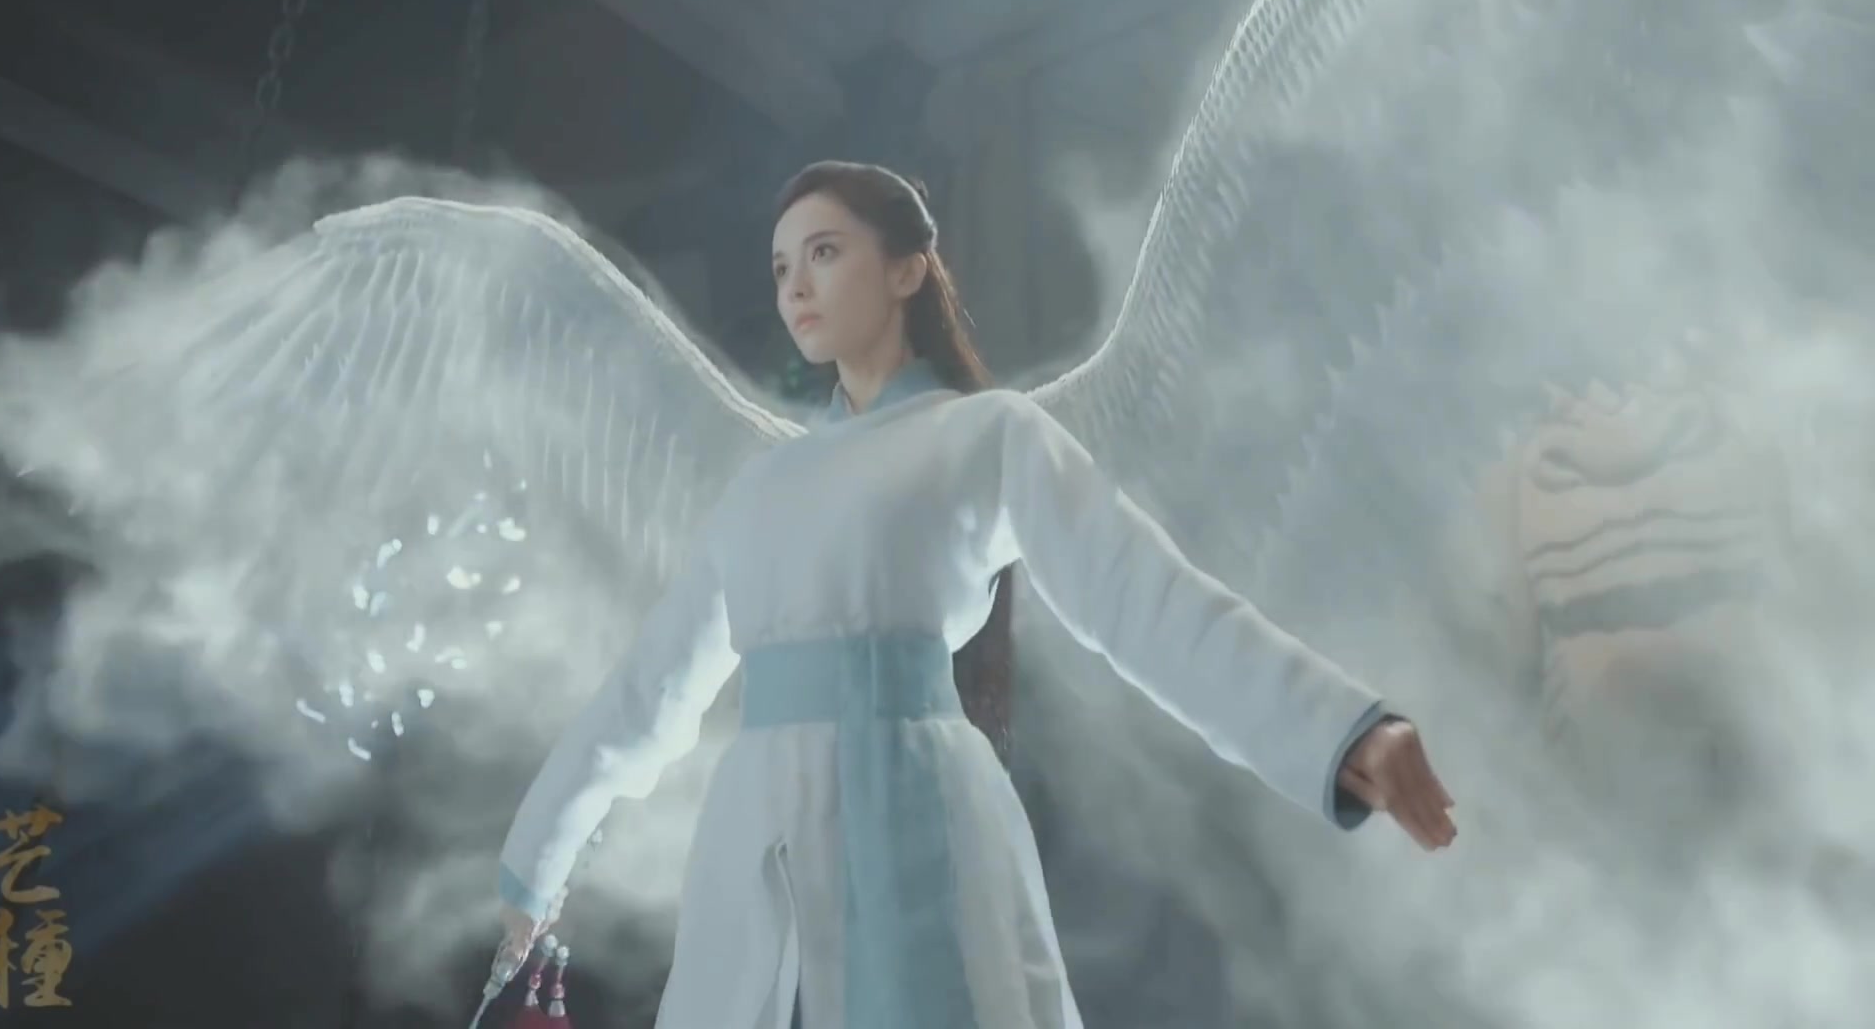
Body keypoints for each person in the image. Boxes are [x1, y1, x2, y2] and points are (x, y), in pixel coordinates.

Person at [493, 160, 1457, 1028]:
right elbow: (649, 693)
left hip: (921, 827)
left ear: (907, 269)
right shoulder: (759, 492)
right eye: (782, 268)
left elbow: (1140, 597)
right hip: (756, 848)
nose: (796, 288)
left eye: (824, 253)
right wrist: (536, 865)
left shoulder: (989, 435)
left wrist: (1335, 730)